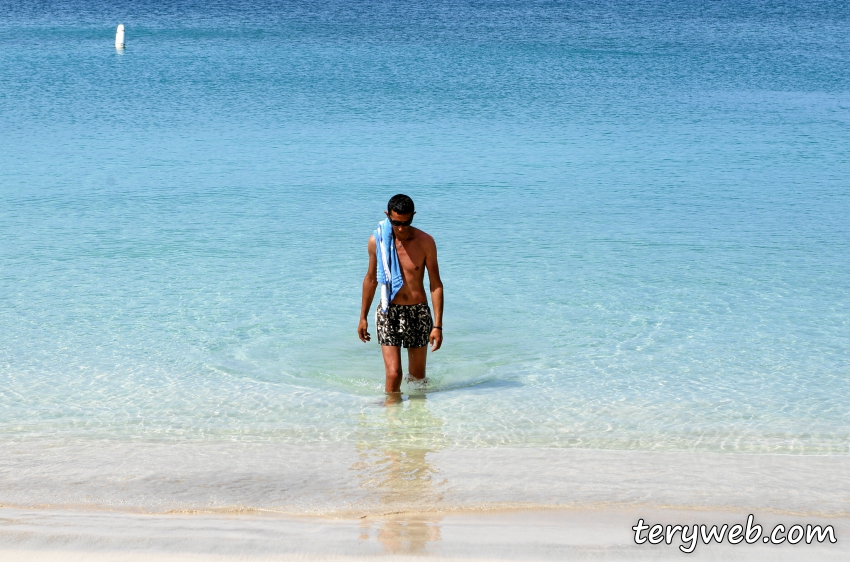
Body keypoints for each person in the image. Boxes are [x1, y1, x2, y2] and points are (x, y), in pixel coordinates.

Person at [358, 194, 444, 394]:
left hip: (418, 312)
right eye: (396, 223)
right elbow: (371, 279)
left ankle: (416, 421)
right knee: (394, 373)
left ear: (413, 216)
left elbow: (435, 284)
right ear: (387, 215)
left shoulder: (425, 242)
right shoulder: (376, 242)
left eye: (406, 223)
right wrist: (363, 316)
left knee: (417, 380)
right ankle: (391, 419)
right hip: (389, 312)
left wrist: (438, 325)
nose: (401, 229)